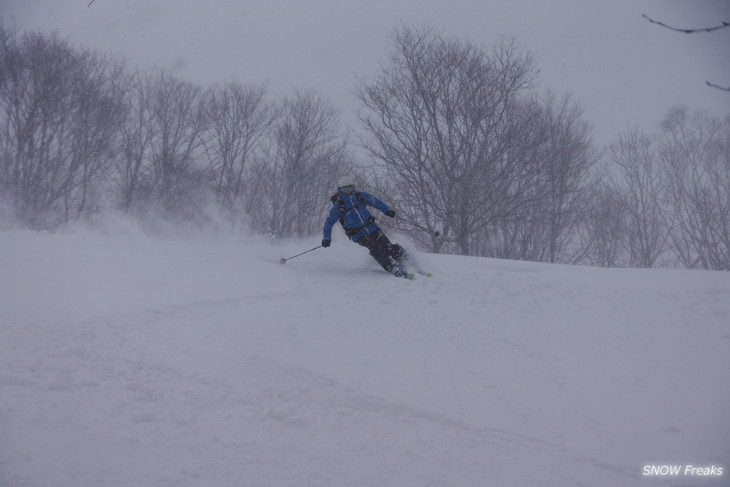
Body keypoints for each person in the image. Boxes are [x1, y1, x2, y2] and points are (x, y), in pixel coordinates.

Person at [321, 178, 410, 278]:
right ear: (340, 190)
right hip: (358, 234)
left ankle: (407, 260)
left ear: (353, 187)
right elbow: (329, 223)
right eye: (345, 190)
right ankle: (392, 267)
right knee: (375, 247)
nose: (348, 192)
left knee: (388, 246)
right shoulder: (339, 206)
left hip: (373, 228)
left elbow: (376, 202)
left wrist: (387, 210)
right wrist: (326, 238)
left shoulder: (359, 196)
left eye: (350, 188)